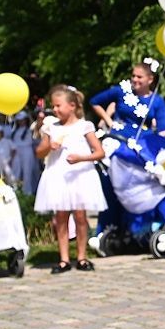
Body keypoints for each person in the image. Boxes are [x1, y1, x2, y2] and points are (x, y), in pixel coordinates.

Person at [34, 85, 106, 272]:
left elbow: (99, 152)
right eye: (53, 106)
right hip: (59, 175)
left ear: (72, 106)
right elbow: (39, 152)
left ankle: (82, 256)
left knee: (80, 216)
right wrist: (49, 146)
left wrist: (81, 158)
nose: (55, 109)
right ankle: (64, 258)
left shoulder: (84, 126)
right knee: (61, 217)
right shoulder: (51, 128)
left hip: (79, 175)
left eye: (58, 106)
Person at [89, 59, 165, 142]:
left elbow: (162, 128)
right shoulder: (122, 91)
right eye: (133, 76)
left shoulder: (157, 101)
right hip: (118, 136)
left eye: (139, 77)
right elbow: (94, 102)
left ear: (150, 79)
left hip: (143, 141)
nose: (135, 79)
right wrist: (109, 121)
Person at [9, 111, 41, 195]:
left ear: (26, 120)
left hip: (27, 151)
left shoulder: (30, 130)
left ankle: (28, 192)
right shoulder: (14, 131)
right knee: (15, 170)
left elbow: (31, 141)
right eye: (19, 120)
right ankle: (15, 191)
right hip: (16, 152)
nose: (21, 122)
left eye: (23, 120)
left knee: (27, 171)